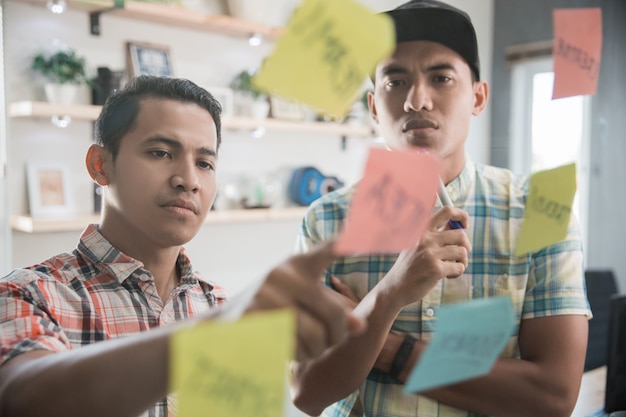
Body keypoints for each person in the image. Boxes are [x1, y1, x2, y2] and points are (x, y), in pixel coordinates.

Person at [289, 1, 591, 416]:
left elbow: (553, 397)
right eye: (395, 82)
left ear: (478, 97)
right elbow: (307, 393)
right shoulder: (326, 220)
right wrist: (392, 291)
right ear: (375, 106)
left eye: (441, 77)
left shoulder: (541, 213)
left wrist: (382, 343)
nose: (417, 100)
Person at [0, 75, 365, 417]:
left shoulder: (219, 304)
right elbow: (22, 397)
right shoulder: (29, 294)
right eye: (160, 152)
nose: (188, 180)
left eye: (204, 163)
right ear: (100, 165)